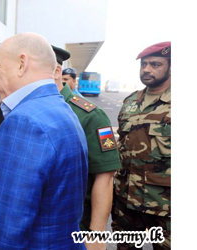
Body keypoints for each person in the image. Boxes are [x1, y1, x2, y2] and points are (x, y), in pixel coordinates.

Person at [0, 33, 88, 249]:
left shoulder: (25, 122)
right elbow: (33, 200)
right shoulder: (60, 109)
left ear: (21, 64)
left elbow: (5, 234)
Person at [52, 45, 122, 249]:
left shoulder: (90, 115)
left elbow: (105, 176)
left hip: (74, 228)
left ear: (56, 71)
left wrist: (95, 236)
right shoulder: (22, 109)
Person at [112, 41, 171, 250]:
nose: (146, 69)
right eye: (144, 64)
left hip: (166, 207)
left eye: (155, 64)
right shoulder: (130, 102)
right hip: (126, 201)